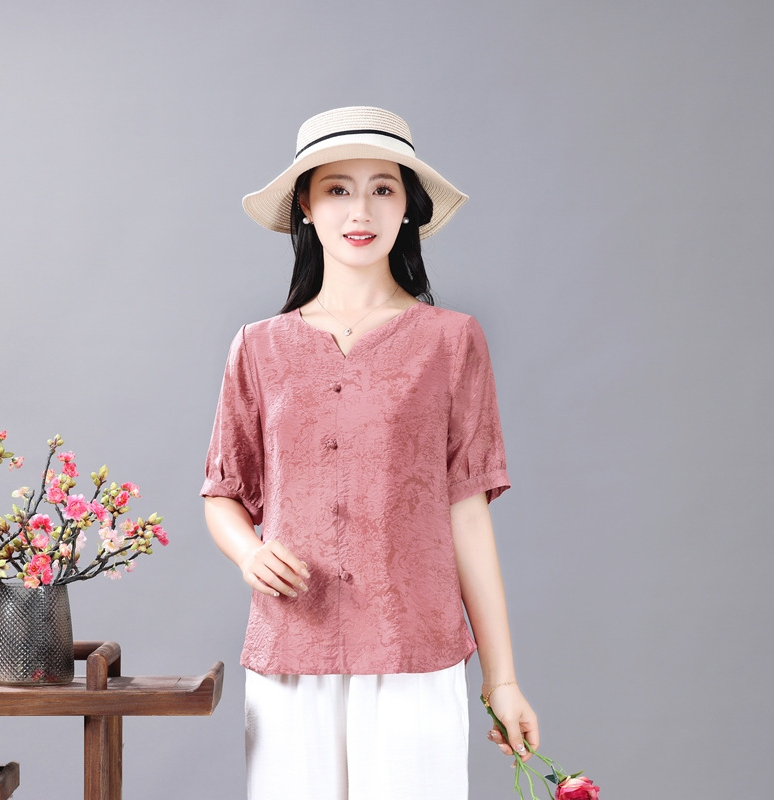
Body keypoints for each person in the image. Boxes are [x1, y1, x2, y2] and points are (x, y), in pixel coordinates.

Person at [201, 106, 538, 800]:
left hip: (416, 648)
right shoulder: (258, 347)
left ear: (408, 204)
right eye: (337, 189)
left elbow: (468, 514)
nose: (361, 210)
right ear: (306, 205)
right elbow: (224, 493)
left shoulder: (452, 341)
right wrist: (249, 553)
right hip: (291, 650)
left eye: (383, 188)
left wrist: (502, 680)